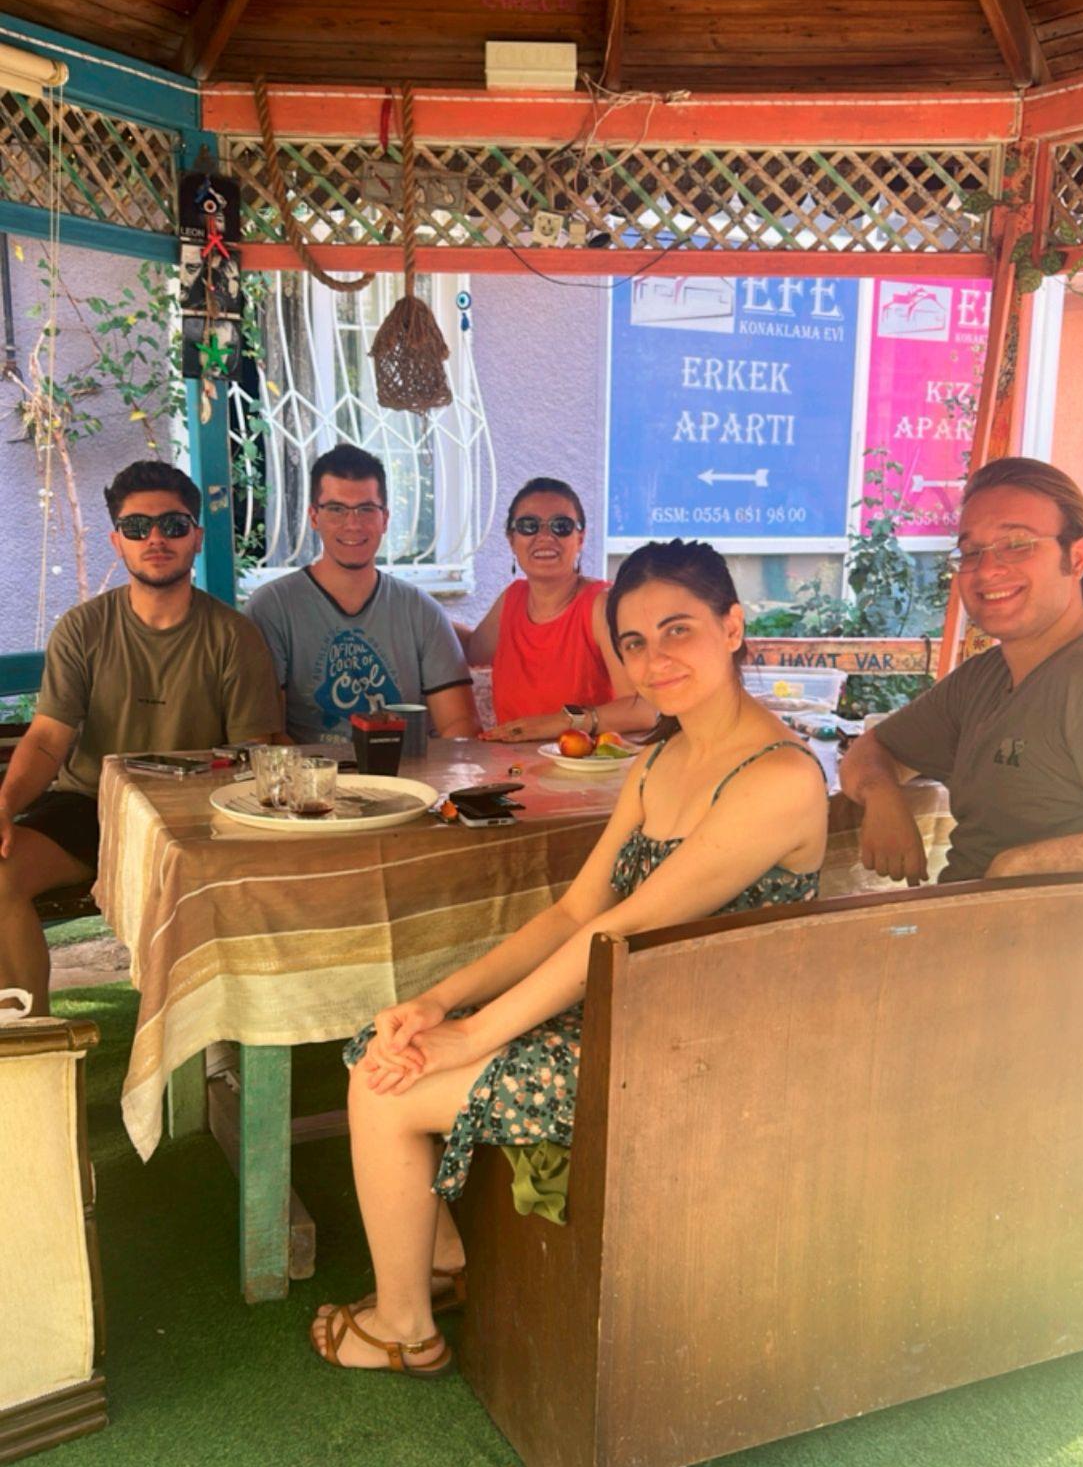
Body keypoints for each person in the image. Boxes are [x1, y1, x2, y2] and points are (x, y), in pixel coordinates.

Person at [309, 537, 828, 1373]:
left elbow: (615, 931)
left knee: (384, 1089)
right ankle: (438, 1260)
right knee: (386, 1043)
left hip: (702, 1050)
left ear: (733, 627)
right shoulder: (661, 758)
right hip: (623, 1010)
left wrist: (472, 1035)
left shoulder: (779, 778)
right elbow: (576, 910)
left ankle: (405, 1329)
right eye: (634, 643)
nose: (655, 661)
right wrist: (439, 1004)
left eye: (679, 631)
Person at [0, 459, 282, 1014]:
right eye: (136, 527)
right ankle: (32, 1046)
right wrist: (4, 806)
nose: (155, 538)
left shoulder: (234, 636)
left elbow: (252, 754)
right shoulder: (82, 629)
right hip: (92, 807)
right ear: (117, 541)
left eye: (173, 525)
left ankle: (219, 1033)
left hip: (194, 817)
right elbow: (48, 739)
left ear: (196, 537)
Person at [839, 457, 1083, 884]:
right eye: (971, 552)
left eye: (1018, 544)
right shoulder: (985, 677)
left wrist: (1023, 864)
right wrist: (883, 797)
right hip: (966, 916)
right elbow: (872, 750)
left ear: (1077, 558)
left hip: (1042, 927)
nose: (987, 570)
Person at [247, 442, 479, 744]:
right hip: (310, 773)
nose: (353, 524)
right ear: (314, 517)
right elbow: (266, 732)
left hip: (407, 771)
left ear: (385, 518)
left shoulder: (421, 611)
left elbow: (460, 724)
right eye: (336, 509)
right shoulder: (271, 608)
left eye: (366, 509)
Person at [460, 476, 655, 743]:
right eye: (529, 526)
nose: (544, 537)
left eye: (560, 526)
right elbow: (470, 650)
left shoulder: (601, 605)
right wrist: (422, 613)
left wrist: (562, 722)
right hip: (511, 764)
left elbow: (643, 709)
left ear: (580, 538)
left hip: (586, 764)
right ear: (511, 539)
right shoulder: (512, 599)